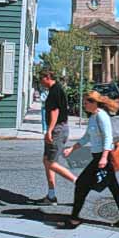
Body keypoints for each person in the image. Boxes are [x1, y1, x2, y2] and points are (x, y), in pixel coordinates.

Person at [61, 90, 119, 229]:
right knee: (114, 188)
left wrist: (104, 157)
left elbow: (108, 137)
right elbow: (87, 137)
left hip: (102, 158)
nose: (84, 105)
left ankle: (74, 218)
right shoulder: (93, 116)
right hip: (99, 157)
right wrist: (72, 148)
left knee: (81, 184)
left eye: (86, 102)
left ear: (94, 103)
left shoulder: (101, 116)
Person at [38, 70, 77, 205]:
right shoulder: (56, 89)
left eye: (41, 79)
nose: (40, 82)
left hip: (57, 129)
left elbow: (55, 112)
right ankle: (51, 195)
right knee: (46, 160)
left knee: (51, 163)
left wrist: (49, 131)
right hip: (57, 128)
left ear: (47, 77)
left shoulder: (55, 90)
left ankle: (78, 182)